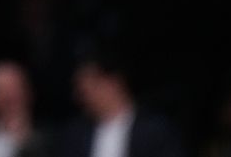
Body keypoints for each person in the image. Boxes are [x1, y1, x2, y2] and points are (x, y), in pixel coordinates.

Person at [52, 44, 186, 157]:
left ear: (113, 83)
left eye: (86, 91)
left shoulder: (155, 132)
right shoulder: (75, 136)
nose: (79, 98)